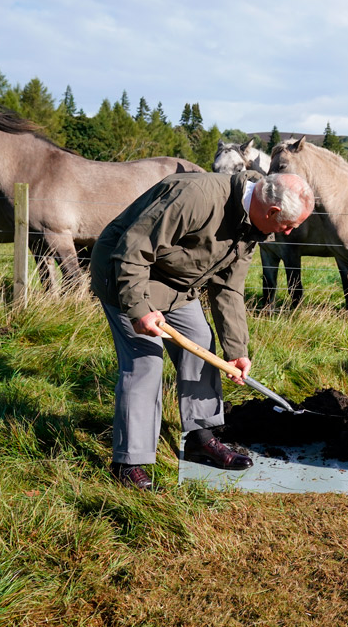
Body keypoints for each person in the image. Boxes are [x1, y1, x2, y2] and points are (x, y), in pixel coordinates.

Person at [90, 170, 315, 491]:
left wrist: (236, 351)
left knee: (201, 342)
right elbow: (133, 250)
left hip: (176, 284)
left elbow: (229, 290)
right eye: (289, 225)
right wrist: (139, 309)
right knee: (145, 362)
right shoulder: (196, 198)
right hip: (125, 273)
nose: (289, 233)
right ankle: (130, 461)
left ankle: (200, 436)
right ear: (272, 211)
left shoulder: (252, 227)